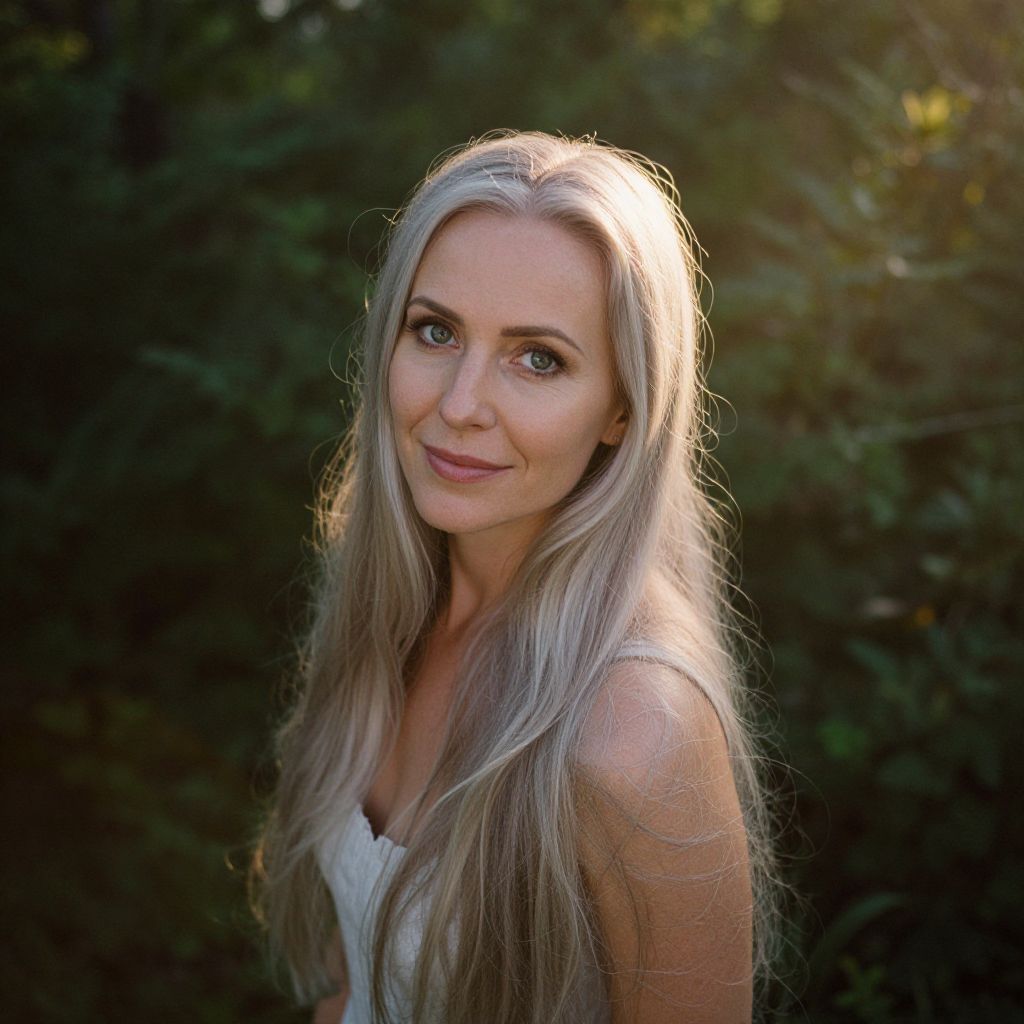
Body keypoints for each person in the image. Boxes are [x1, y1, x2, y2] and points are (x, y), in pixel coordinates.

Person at [252, 130, 779, 1024]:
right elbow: (352, 986)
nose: (459, 406)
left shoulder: (632, 732)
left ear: (623, 409)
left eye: (538, 358)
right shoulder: (394, 614)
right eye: (436, 331)